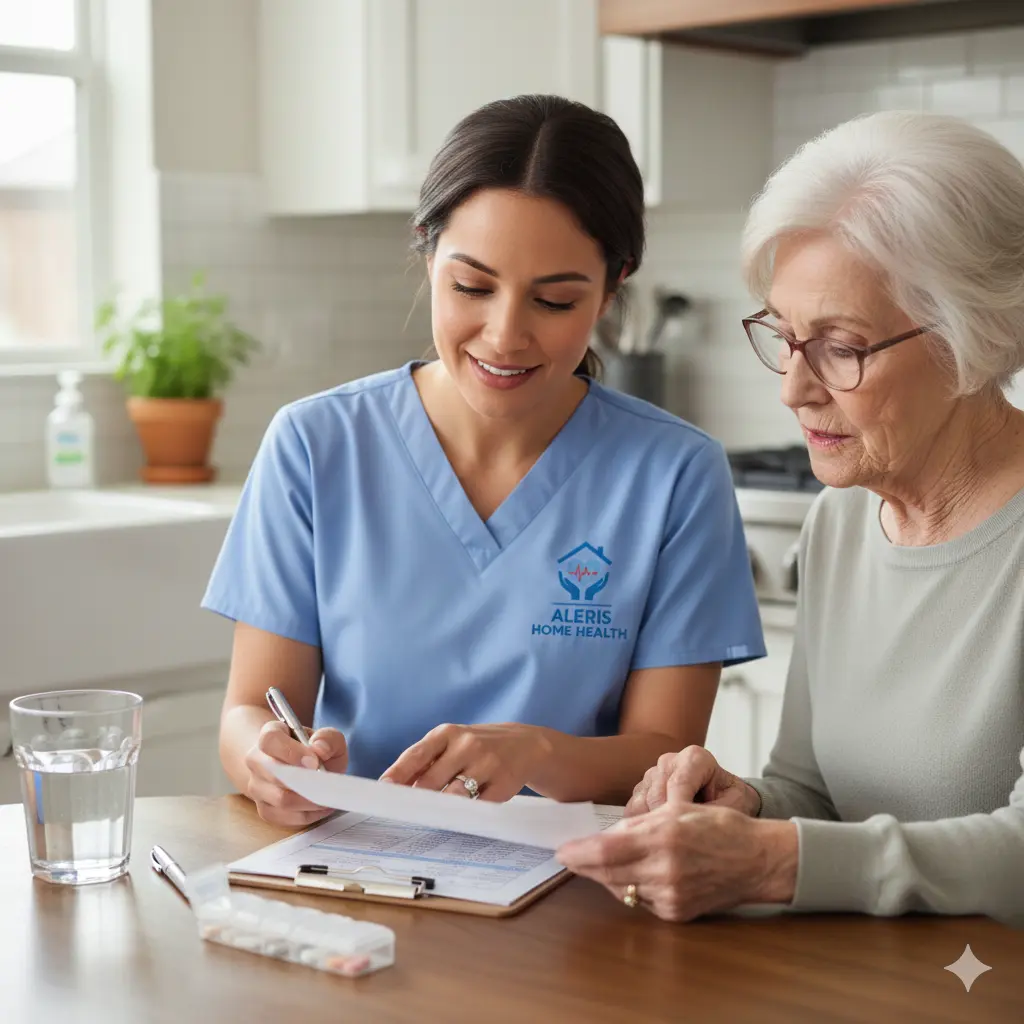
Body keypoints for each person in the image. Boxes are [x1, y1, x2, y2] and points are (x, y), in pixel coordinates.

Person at [203, 94, 765, 827]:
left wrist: (536, 753)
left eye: (554, 302)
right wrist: (266, 758)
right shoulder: (314, 445)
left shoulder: (676, 475)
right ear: (427, 253)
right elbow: (250, 709)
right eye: (471, 287)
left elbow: (666, 753)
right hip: (351, 867)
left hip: (573, 875)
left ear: (612, 288)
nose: (504, 336)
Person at [558, 111, 1024, 925]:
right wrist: (740, 806)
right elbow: (812, 791)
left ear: (971, 338)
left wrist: (774, 860)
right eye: (784, 335)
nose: (792, 389)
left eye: (841, 346)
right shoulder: (840, 522)